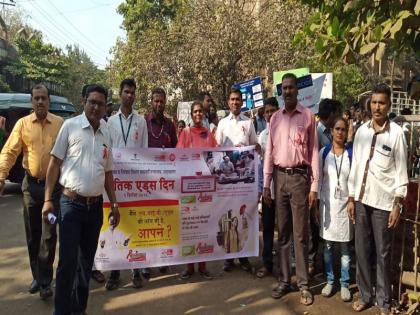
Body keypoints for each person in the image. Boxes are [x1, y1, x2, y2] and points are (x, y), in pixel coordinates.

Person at [42, 84, 120, 315]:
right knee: (67, 263)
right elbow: (54, 164)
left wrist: (114, 204)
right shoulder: (70, 126)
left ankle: (79, 309)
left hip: (94, 208)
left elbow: (107, 173)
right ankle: (61, 311)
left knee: (86, 263)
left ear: (106, 107)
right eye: (92, 102)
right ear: (84, 101)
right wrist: (48, 200)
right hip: (70, 206)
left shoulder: (107, 133)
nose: (96, 107)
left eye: (100, 103)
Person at [347, 84, 408, 315]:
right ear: (369, 104)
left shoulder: (397, 135)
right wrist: (351, 198)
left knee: (383, 254)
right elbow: (355, 168)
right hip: (362, 200)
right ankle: (365, 295)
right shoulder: (361, 131)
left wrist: (397, 204)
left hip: (383, 203)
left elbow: (401, 173)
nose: (377, 107)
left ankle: (383, 301)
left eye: (381, 102)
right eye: (374, 102)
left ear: (389, 105)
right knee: (362, 250)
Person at [0, 84, 63, 300]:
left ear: (49, 101)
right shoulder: (22, 124)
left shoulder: (59, 124)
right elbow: (10, 151)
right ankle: (37, 275)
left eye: (43, 98)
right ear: (31, 102)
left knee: (49, 234)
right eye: (36, 98)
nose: (40, 102)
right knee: (32, 233)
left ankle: (45, 281)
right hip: (30, 188)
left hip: (53, 190)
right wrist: (1, 175)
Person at [263, 73, 319, 306]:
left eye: (291, 87)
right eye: (284, 88)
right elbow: (268, 152)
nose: (287, 91)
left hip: (299, 179)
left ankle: (304, 284)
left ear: (297, 90)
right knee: (283, 231)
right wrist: (266, 184)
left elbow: (314, 152)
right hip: (279, 177)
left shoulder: (307, 117)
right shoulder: (274, 118)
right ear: (281, 91)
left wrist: (314, 186)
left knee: (301, 234)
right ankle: (285, 279)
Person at [105, 78, 148, 290]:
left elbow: (146, 153)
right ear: (120, 93)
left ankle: (136, 269)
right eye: (126, 92)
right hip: (116, 185)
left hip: (135, 184)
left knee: (135, 225)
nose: (129, 95)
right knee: (115, 224)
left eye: (132, 92)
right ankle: (114, 272)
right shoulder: (110, 122)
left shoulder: (141, 122)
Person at [215, 88, 258, 273]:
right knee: (226, 215)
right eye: (232, 99)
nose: (235, 103)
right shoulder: (222, 124)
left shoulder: (248, 123)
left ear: (242, 102)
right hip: (227, 180)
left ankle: (244, 255)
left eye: (238, 100)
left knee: (242, 216)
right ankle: (228, 257)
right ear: (228, 102)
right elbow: (216, 149)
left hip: (244, 179)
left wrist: (246, 149)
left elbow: (256, 146)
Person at [177, 100, 217, 280]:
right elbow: (178, 157)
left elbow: (216, 156)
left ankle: (203, 266)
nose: (198, 114)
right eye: (195, 112)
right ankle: (189, 267)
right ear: (191, 114)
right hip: (189, 190)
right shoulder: (185, 133)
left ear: (204, 114)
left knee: (204, 227)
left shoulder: (209, 134)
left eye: (201, 112)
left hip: (205, 189)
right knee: (189, 228)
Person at [318, 117, 353, 302]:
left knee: (346, 248)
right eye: (337, 129)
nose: (340, 132)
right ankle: (330, 280)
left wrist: (352, 200)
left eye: (343, 129)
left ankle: (345, 283)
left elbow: (354, 179)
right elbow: (318, 180)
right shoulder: (323, 153)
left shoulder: (351, 153)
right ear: (331, 131)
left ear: (347, 132)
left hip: (346, 206)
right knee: (328, 247)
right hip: (327, 206)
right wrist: (316, 204)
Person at [143, 87, 177, 278]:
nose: (159, 104)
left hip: (165, 183)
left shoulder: (170, 125)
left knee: (163, 221)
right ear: (151, 102)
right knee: (148, 221)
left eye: (162, 101)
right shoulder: (143, 122)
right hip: (146, 183)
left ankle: (163, 258)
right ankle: (146, 262)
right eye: (156, 101)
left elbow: (176, 151)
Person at [256, 97, 279, 278]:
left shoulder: (285, 132)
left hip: (285, 187)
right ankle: (267, 263)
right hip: (267, 188)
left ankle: (286, 267)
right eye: (267, 112)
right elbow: (261, 163)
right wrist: (263, 188)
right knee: (268, 227)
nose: (270, 114)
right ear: (264, 115)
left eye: (273, 111)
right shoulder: (262, 136)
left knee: (286, 229)